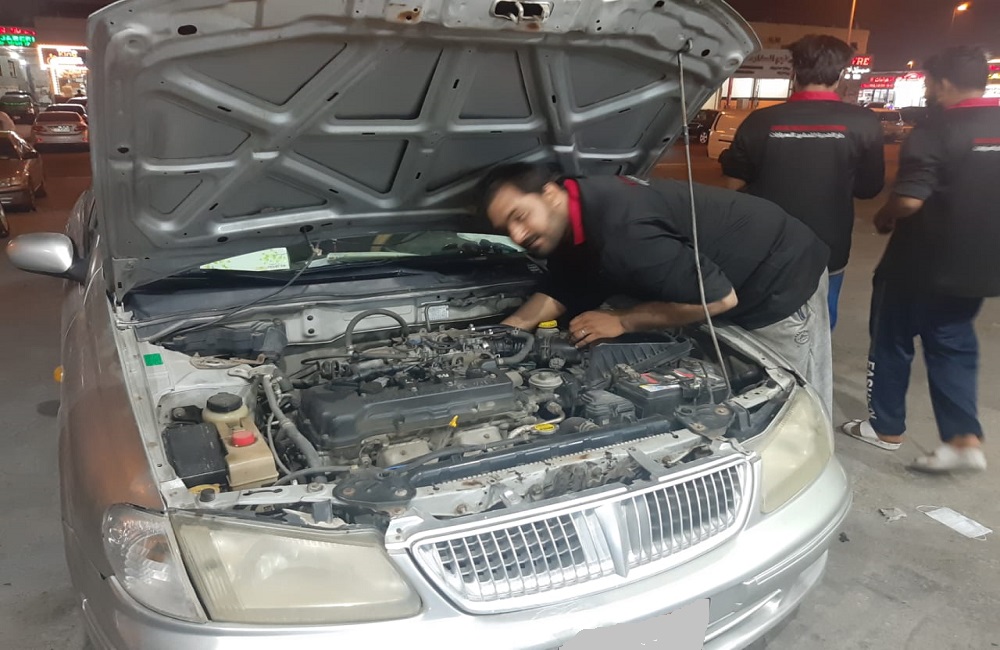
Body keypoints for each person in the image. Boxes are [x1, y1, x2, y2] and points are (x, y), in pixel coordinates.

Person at [479, 163, 834, 414]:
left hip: (778, 273)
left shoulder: (622, 231)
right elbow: (564, 286)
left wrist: (623, 321)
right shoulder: (574, 208)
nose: (517, 235)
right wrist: (503, 334)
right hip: (712, 277)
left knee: (789, 405)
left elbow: (718, 298)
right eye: (507, 228)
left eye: (520, 216)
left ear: (550, 194)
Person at [840, 46, 1000, 473]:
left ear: (942, 83)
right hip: (980, 265)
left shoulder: (937, 128)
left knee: (891, 339)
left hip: (918, 263)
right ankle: (963, 439)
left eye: (930, 82)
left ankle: (885, 427)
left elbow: (910, 199)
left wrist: (884, 215)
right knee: (953, 341)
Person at [720, 35, 885, 330]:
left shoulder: (760, 121)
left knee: (762, 323)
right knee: (820, 322)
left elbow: (734, 189)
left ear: (794, 71)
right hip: (829, 246)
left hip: (766, 244)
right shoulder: (863, 122)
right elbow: (868, 188)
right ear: (840, 74)